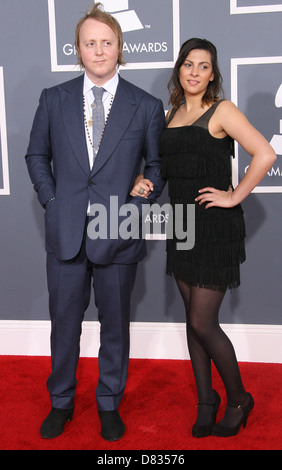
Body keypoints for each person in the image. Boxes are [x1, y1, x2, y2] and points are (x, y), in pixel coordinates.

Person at [25, 3, 165, 441]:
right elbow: (35, 156)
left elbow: (156, 166)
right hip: (65, 230)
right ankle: (61, 402)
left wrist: (137, 202)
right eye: (90, 43)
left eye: (107, 42)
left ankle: (109, 403)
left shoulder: (145, 104)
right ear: (78, 49)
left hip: (118, 232)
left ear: (119, 48)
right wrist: (51, 199)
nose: (99, 50)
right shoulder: (54, 98)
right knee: (63, 325)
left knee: (115, 326)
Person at [131, 38, 276, 438]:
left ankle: (239, 399)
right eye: (188, 64)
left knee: (202, 319)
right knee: (192, 323)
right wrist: (144, 180)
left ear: (213, 74)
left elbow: (264, 153)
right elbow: (162, 167)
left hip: (213, 226)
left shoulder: (222, 110)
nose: (194, 72)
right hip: (181, 225)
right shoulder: (171, 113)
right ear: (179, 69)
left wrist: (232, 196)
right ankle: (205, 401)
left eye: (204, 66)